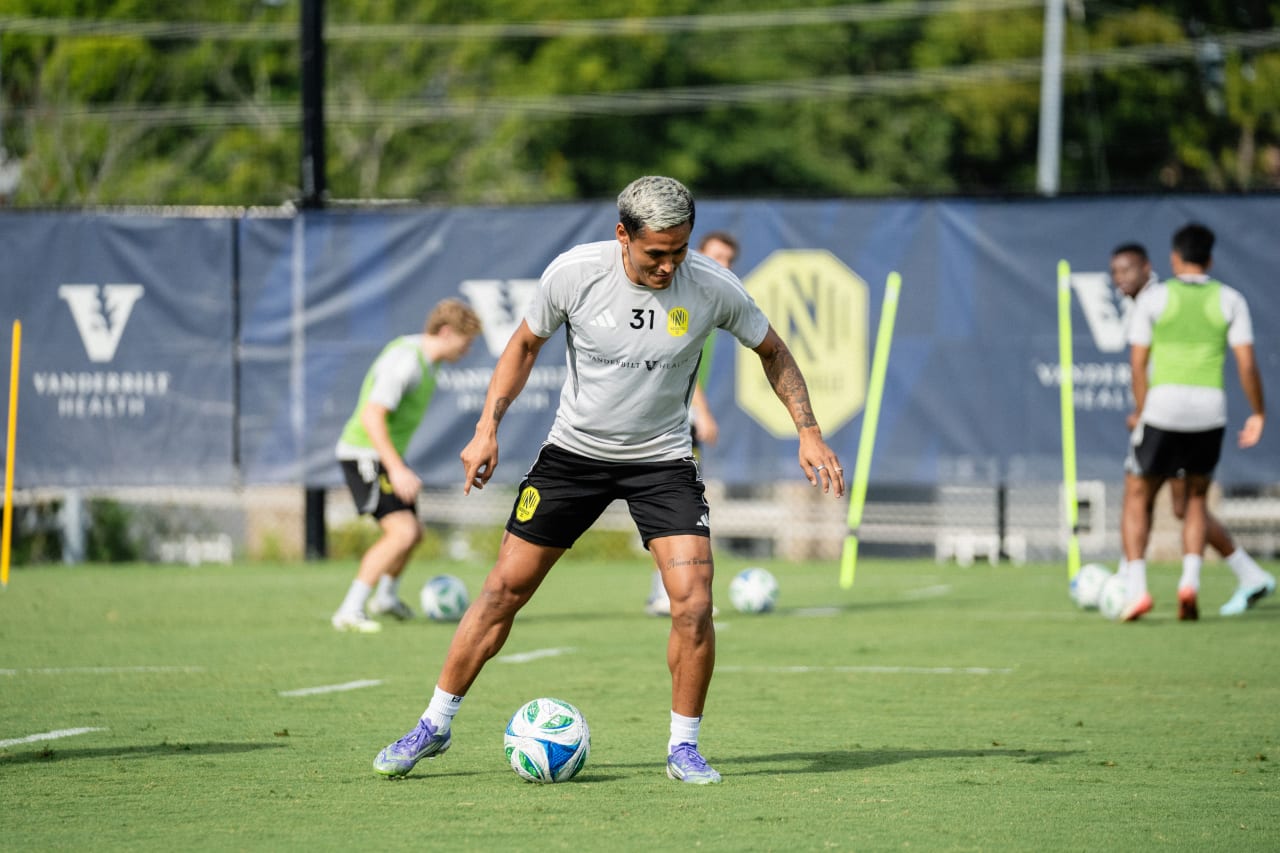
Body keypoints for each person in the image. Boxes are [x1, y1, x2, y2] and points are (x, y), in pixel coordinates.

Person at [372, 176, 845, 784]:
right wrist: (488, 426)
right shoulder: (574, 274)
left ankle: (683, 747)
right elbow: (521, 346)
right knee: (501, 592)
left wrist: (807, 429)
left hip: (663, 463)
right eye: (655, 253)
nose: (669, 265)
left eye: (679, 250)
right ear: (623, 236)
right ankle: (433, 725)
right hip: (573, 456)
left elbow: (774, 351)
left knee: (695, 606)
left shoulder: (712, 286)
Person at [1110, 243, 1273, 620]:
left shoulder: (1159, 298)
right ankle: (1245, 574)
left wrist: (1143, 409)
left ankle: (1130, 583)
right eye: (1114, 273)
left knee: (1141, 492)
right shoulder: (1157, 300)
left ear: (1148, 268)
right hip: (1192, 417)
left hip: (1165, 418)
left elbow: (1143, 365)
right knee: (1185, 504)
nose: (1119, 280)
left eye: (1125, 271)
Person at [331, 299, 483, 632]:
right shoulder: (407, 362)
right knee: (402, 533)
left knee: (414, 535)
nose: (468, 349)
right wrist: (397, 468)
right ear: (445, 332)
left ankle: (385, 598)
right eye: (465, 341)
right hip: (364, 454)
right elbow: (372, 416)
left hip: (382, 456)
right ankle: (349, 610)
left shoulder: (430, 363)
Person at [644, 229, 739, 617]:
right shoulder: (686, 297)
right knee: (674, 504)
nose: (724, 266)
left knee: (676, 504)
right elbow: (680, 363)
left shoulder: (711, 298)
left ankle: (665, 592)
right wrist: (703, 412)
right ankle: (668, 592)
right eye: (717, 257)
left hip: (678, 418)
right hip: (671, 419)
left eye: (730, 261)